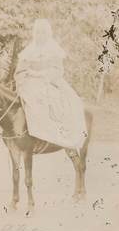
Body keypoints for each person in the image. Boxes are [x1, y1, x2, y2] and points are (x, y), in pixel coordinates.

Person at [15, 18, 87, 149]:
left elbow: (58, 70)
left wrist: (43, 75)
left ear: (48, 34)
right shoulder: (28, 52)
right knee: (25, 100)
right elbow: (20, 71)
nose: (40, 36)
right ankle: (25, 134)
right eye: (37, 32)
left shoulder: (53, 50)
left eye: (43, 33)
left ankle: (49, 135)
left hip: (49, 81)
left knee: (61, 101)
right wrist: (23, 80)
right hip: (29, 82)